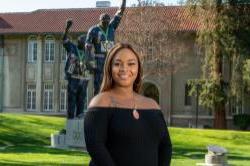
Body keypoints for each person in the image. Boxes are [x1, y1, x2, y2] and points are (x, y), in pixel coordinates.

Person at [84, 43, 172, 166]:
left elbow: (165, 145)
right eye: (117, 64)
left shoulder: (152, 105)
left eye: (131, 64)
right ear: (109, 67)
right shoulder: (100, 102)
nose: (124, 69)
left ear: (138, 68)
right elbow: (95, 146)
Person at [85, 0, 126, 95]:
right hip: (99, 59)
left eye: (108, 21)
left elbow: (121, 10)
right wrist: (88, 62)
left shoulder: (111, 27)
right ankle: (98, 105)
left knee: (112, 82)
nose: (107, 23)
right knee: (98, 84)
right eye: (104, 21)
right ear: (100, 21)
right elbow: (87, 47)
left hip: (111, 58)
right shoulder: (93, 30)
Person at [63, 19, 90, 119]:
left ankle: (79, 124)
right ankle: (70, 124)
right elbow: (64, 40)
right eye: (83, 41)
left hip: (83, 80)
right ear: (79, 42)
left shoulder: (88, 53)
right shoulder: (72, 48)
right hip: (73, 79)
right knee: (71, 102)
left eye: (86, 42)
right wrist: (67, 28)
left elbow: (91, 68)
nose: (85, 44)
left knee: (81, 102)